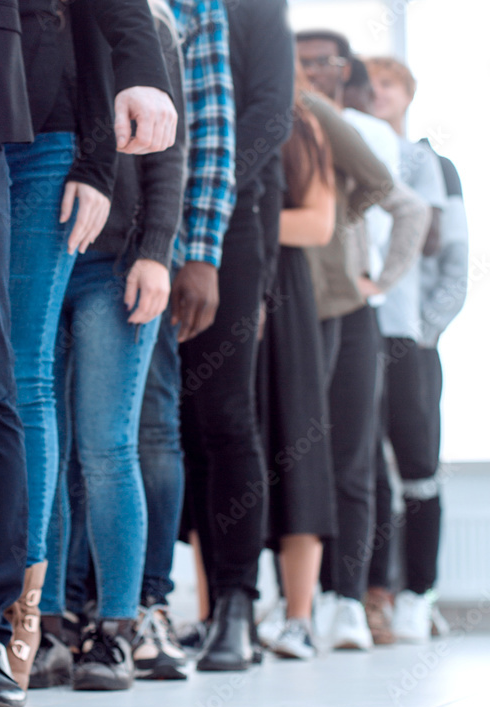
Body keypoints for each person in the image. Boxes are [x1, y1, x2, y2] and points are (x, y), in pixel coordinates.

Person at [0, 0, 179, 707]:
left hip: (50, 135)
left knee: (22, 375)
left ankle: (9, 617)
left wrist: (97, 159)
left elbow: (112, 25)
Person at [34, 0, 186, 691]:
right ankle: (51, 625)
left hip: (115, 262)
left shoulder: (146, 27)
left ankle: (117, 630)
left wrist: (156, 250)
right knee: (51, 445)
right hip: (44, 245)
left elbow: (168, 150)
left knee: (106, 445)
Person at [296, 29, 430, 652]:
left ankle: (349, 598)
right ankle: (309, 600)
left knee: (352, 460)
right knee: (297, 460)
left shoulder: (346, 125)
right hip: (292, 312)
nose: (312, 72)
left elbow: (404, 206)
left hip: (350, 311)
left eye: (323, 63)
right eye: (302, 62)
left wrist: (373, 277)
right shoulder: (274, 112)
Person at [177, 0, 293, 673]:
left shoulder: (256, 10)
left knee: (225, 416)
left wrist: (204, 195)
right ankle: (201, 601)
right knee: (177, 426)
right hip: (152, 218)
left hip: (231, 225)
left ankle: (239, 603)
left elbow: (270, 113)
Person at [132, 0, 237, 674]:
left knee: (148, 428)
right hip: (60, 214)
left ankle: (149, 605)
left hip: (155, 235)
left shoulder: (197, 8)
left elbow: (212, 127)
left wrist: (196, 250)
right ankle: (74, 607)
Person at [366, 56, 463, 644]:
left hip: (412, 337)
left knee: (418, 465)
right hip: (358, 332)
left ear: (407, 94)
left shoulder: (433, 165)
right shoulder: (355, 153)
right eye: (368, 84)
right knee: (364, 466)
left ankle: (417, 593)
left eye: (387, 85)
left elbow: (455, 263)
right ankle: (372, 594)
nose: (376, 93)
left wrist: (426, 330)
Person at [256, 64, 337, 661]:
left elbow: (318, 222)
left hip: (285, 294)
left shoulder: (300, 125)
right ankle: (217, 614)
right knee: (225, 446)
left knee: (300, 447)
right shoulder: (217, 118)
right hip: (228, 288)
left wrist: (249, 226)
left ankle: (301, 618)